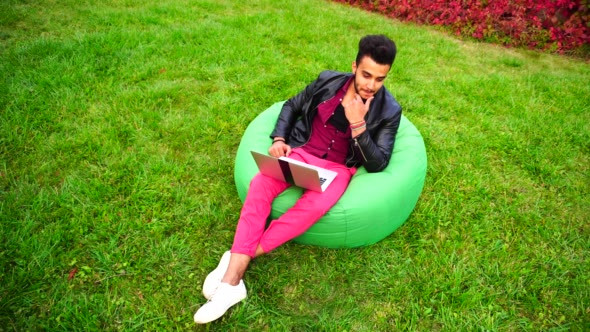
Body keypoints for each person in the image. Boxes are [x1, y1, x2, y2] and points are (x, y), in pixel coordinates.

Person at [194, 35, 402, 324]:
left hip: (337, 169)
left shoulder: (389, 110)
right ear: (354, 66)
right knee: (260, 184)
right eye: (366, 74)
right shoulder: (328, 81)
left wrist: (358, 124)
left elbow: (379, 163)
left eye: (379, 79)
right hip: (302, 153)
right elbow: (292, 105)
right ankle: (233, 282)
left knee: (314, 208)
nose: (371, 85)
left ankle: (235, 266)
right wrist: (280, 138)